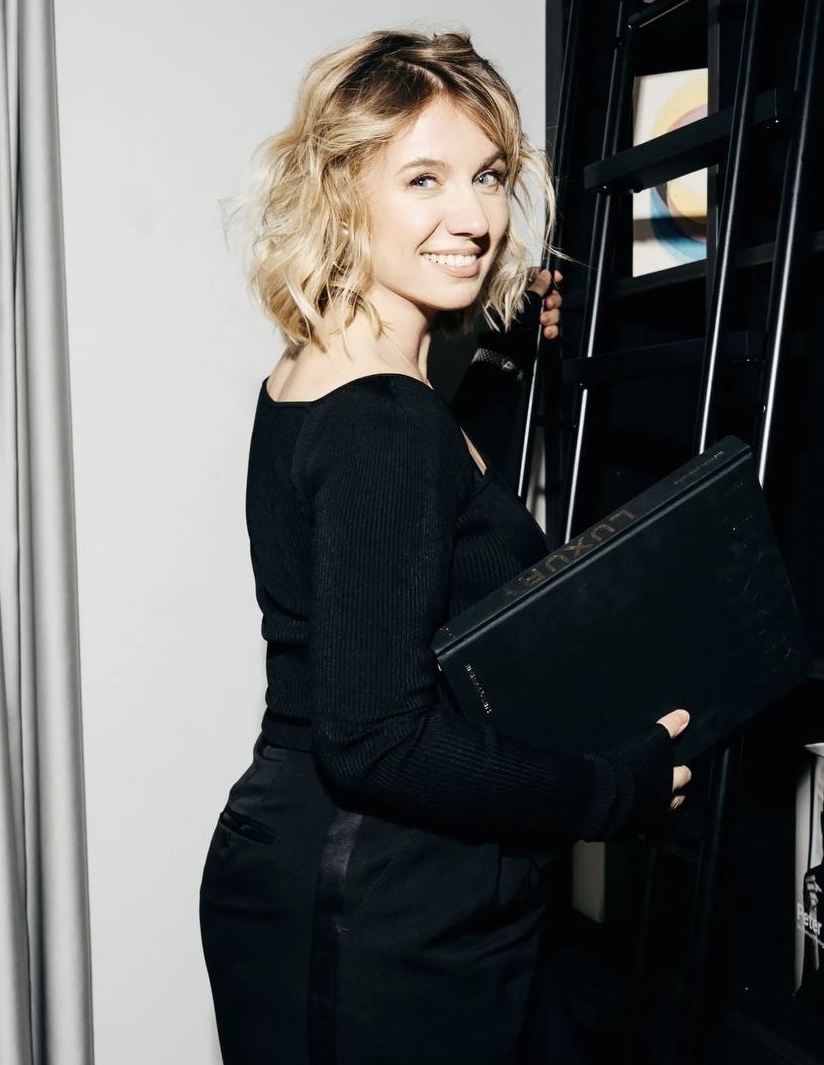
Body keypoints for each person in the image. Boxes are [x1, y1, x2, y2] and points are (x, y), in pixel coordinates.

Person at [199, 29, 691, 1065]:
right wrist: (611, 790)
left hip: (353, 876)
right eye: (423, 178)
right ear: (343, 191)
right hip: (375, 906)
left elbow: (425, 531)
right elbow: (377, 738)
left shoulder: (332, 365)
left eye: (489, 176)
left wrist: (500, 340)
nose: (473, 217)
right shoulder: (385, 425)